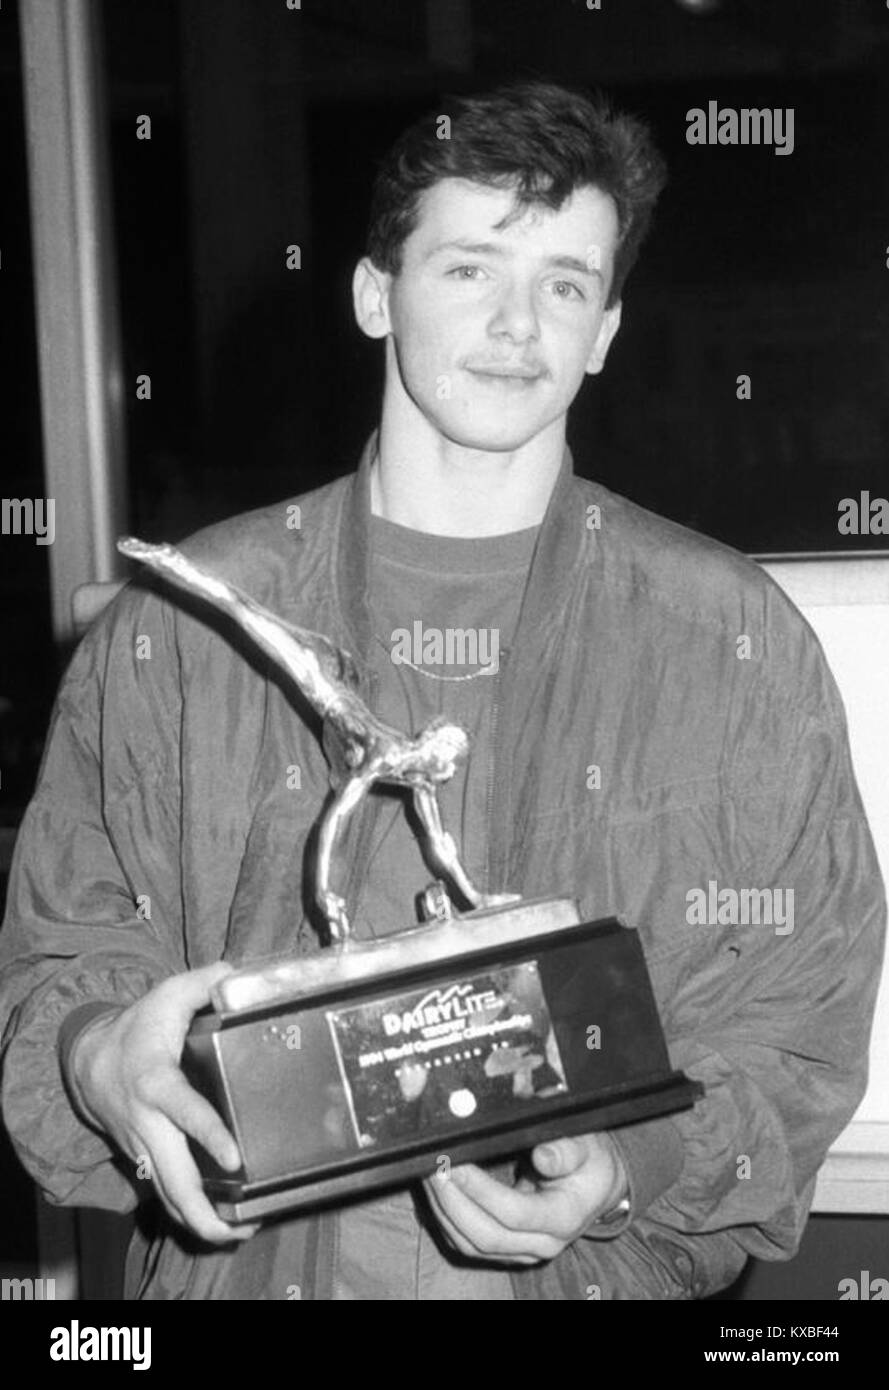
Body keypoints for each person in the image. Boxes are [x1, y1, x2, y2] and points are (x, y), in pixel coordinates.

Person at [0, 81, 884, 1301]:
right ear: (376, 293)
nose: (520, 325)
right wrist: (99, 1058)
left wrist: (630, 1160)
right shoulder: (188, 625)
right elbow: (65, 950)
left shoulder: (731, 641)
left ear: (608, 327)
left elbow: (800, 1015)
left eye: (565, 284)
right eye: (470, 270)